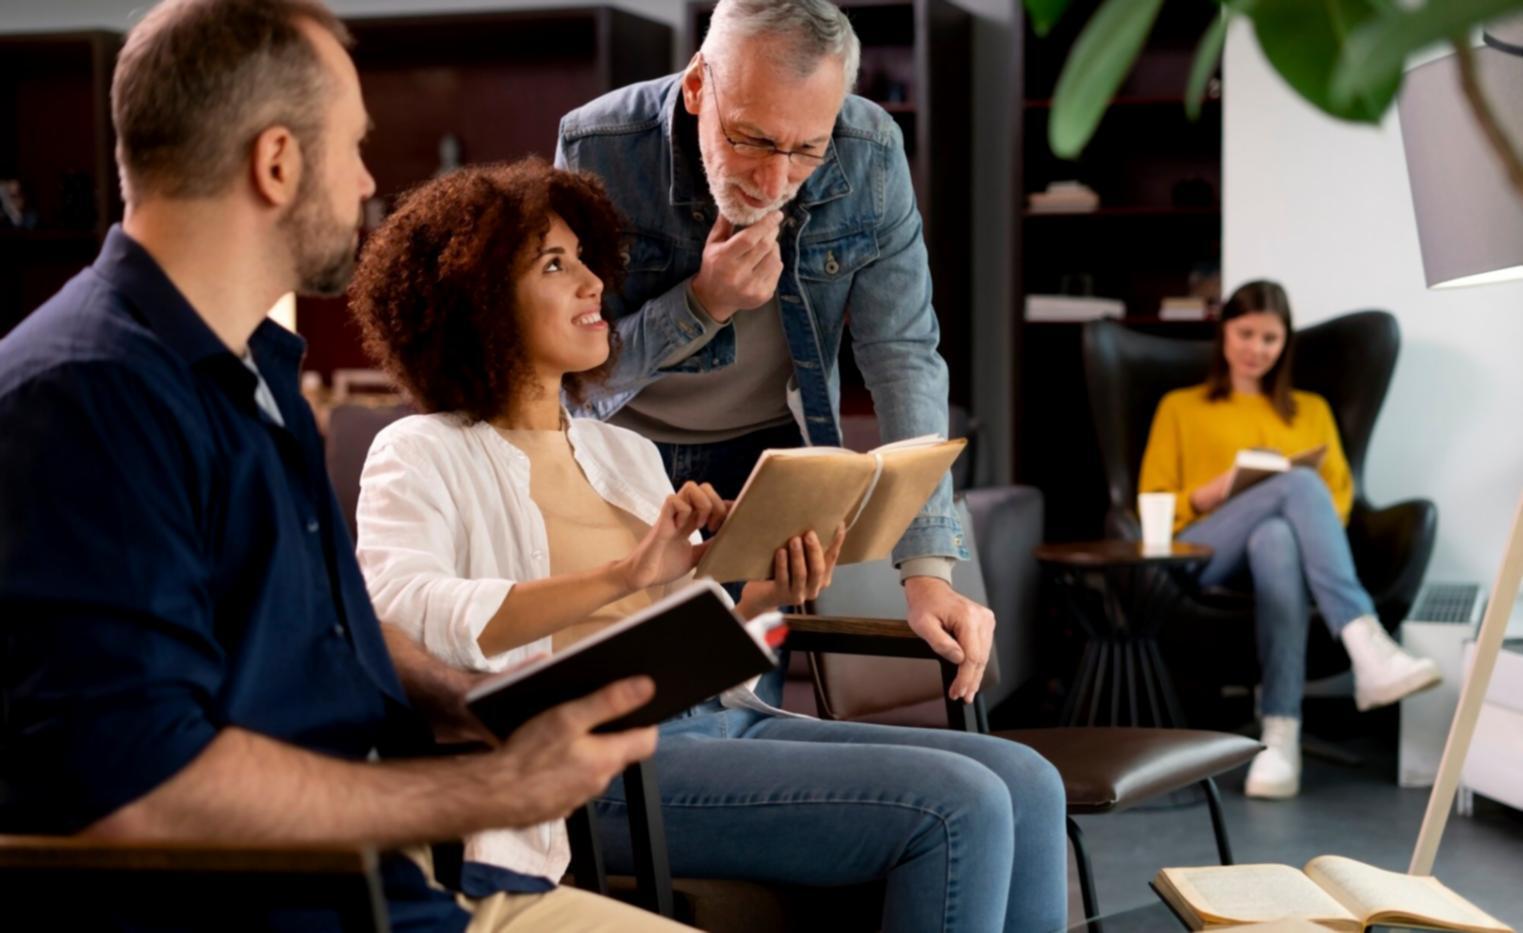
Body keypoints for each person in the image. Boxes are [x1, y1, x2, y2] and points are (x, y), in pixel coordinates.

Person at [0, 2, 688, 930]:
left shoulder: (253, 374)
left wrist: (482, 704)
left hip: (394, 886)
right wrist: (492, 788)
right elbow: (146, 790)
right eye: (354, 146)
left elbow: (331, 641)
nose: (369, 180)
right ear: (277, 161)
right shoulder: (89, 396)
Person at [348, 158, 1069, 933]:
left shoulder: (622, 453)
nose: (594, 283)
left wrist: (764, 594)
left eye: (584, 257)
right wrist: (625, 572)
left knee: (1028, 779)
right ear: (477, 302)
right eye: (554, 265)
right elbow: (404, 614)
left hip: (715, 722)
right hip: (598, 767)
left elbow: (685, 648)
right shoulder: (419, 452)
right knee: (960, 804)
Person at [554, 0, 995, 708]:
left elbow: (902, 353)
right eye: (750, 139)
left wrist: (927, 572)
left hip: (762, 466)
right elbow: (569, 375)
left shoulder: (869, 149)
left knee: (734, 704)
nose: (772, 180)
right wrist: (703, 302)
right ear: (698, 86)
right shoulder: (597, 145)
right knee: (632, 711)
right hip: (619, 459)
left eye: (805, 150)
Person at [1138, 280, 1440, 799]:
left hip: (1282, 553)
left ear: (1285, 344)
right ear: (1224, 333)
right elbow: (1154, 498)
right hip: (1201, 550)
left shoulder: (1311, 410)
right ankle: (1367, 643)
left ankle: (1280, 737)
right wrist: (1212, 493)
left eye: (1270, 338)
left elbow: (1340, 499)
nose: (1256, 348)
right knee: (1298, 483)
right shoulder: (1180, 407)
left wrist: (1286, 507)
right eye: (1246, 333)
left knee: (1277, 535)